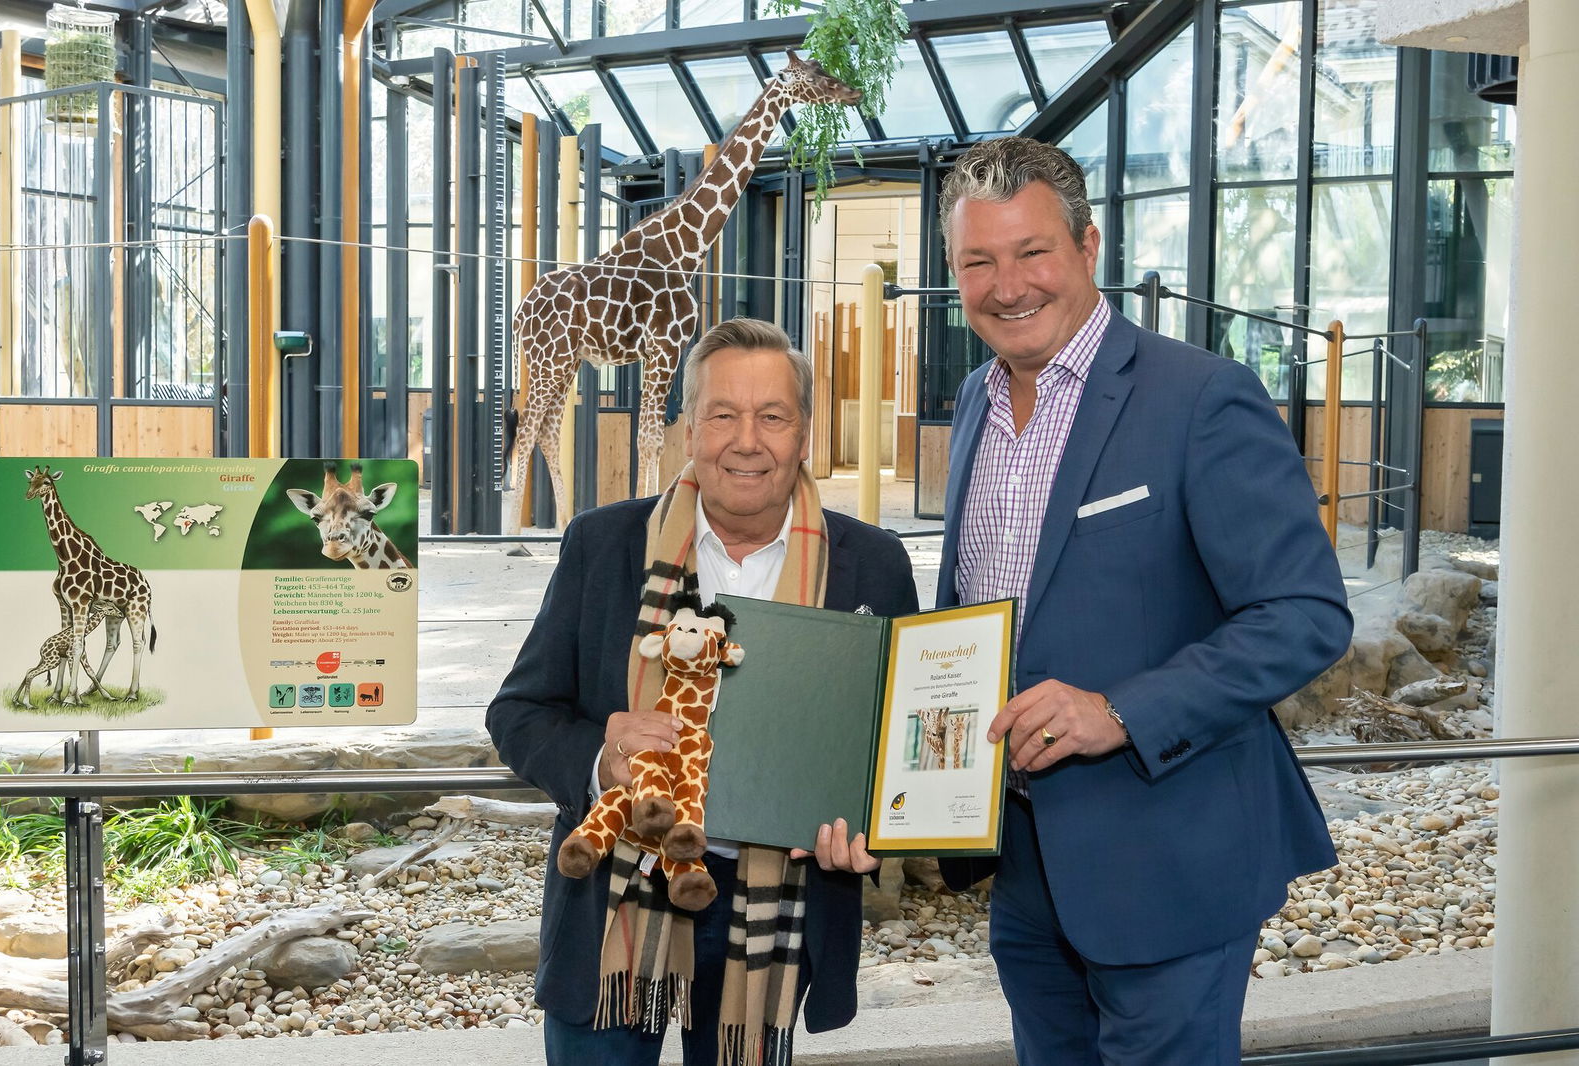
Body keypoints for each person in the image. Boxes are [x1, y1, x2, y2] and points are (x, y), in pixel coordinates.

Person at [934, 136, 1352, 1064]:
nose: (1008, 286)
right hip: (1022, 862)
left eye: (1032, 252)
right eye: (978, 261)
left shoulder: (1203, 396)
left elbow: (1305, 613)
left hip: (1171, 857)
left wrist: (1119, 710)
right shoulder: (974, 402)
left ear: (1088, 248)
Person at [486, 317, 919, 1066]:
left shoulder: (872, 566)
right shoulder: (604, 545)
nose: (746, 440)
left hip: (775, 910)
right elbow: (519, 713)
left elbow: (902, 748)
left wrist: (876, 829)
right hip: (622, 901)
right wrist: (601, 761)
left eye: (772, 416)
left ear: (806, 433)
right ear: (688, 430)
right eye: (722, 415)